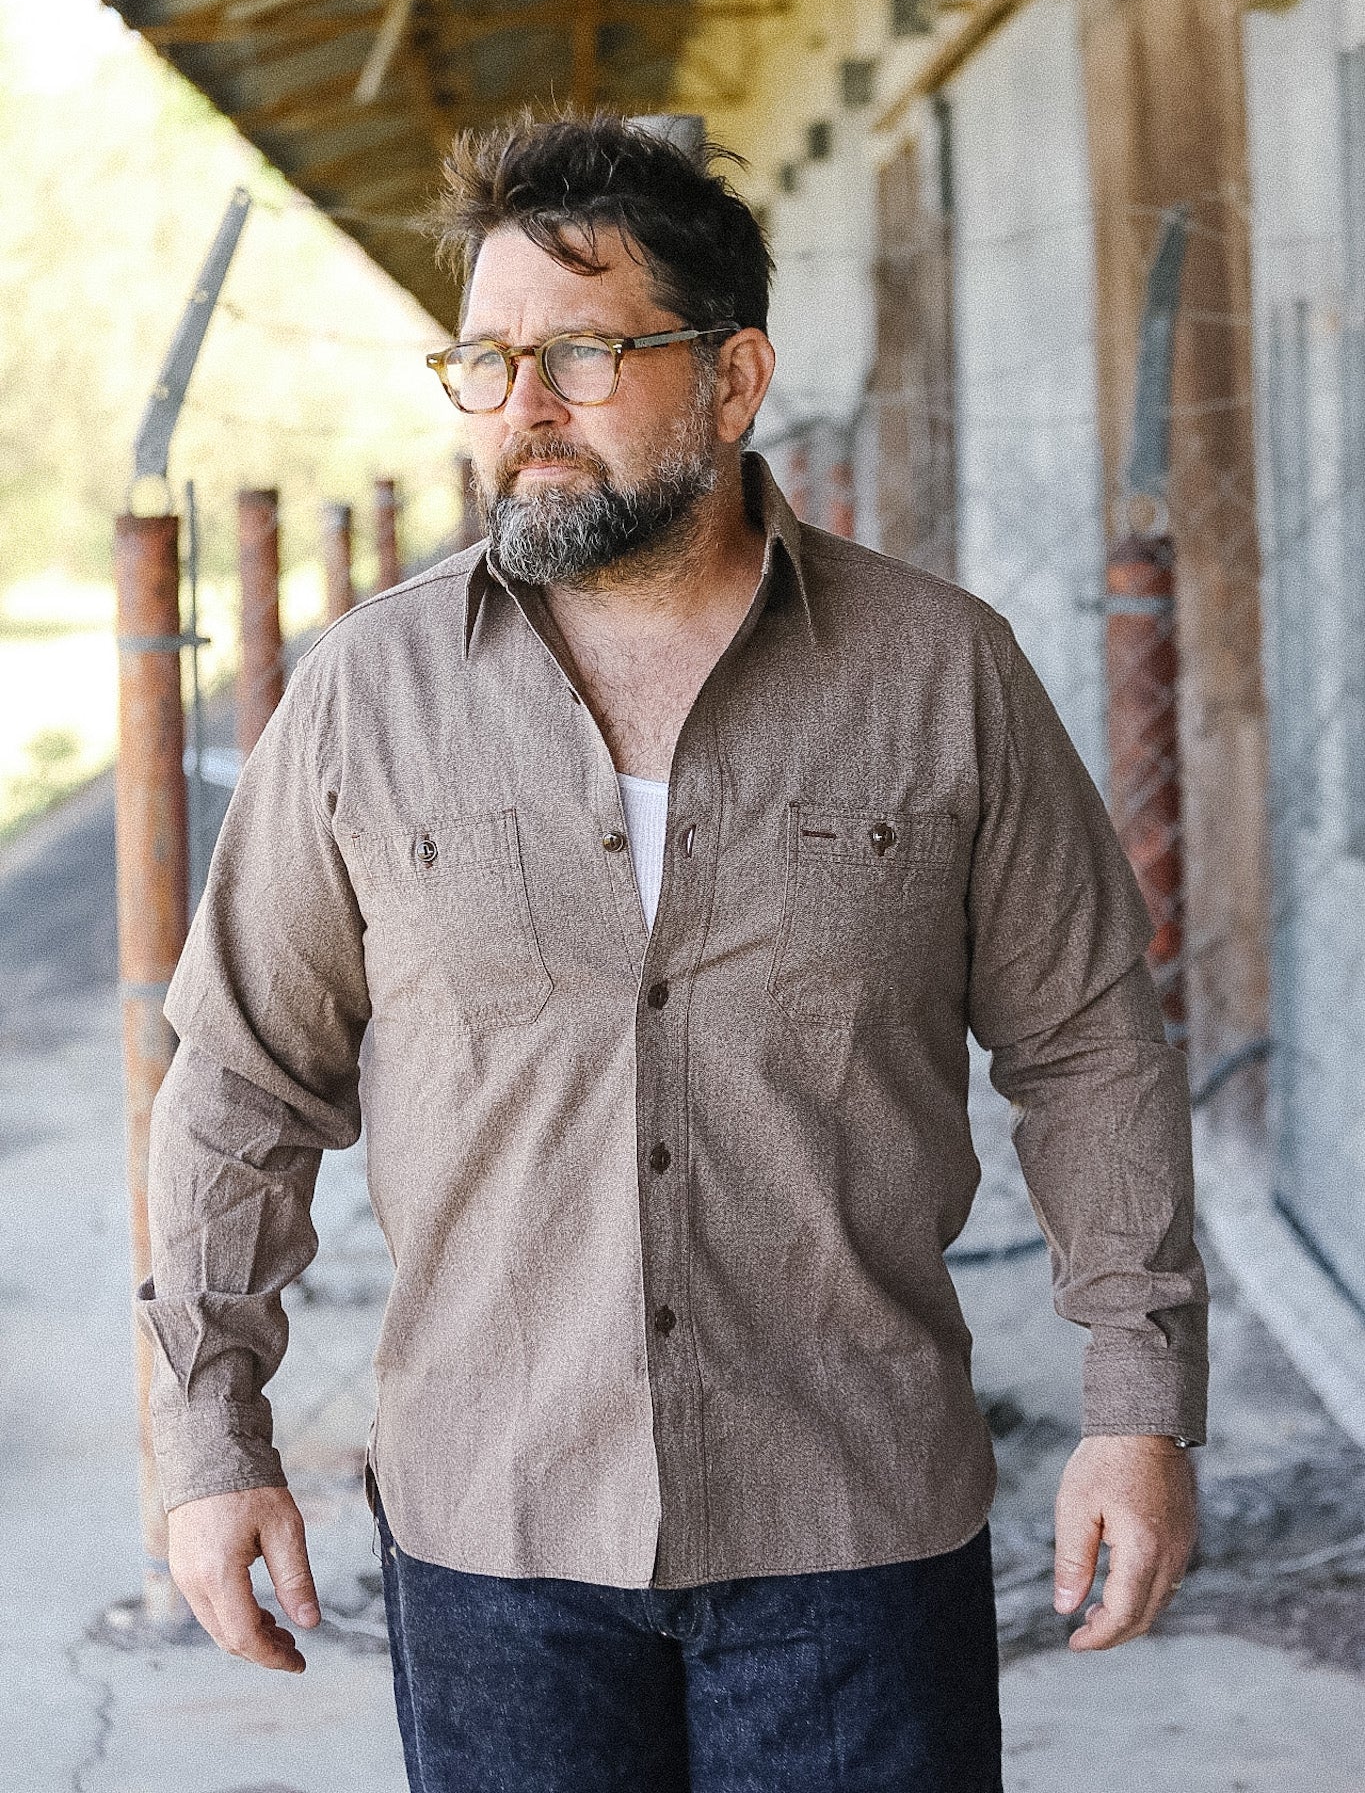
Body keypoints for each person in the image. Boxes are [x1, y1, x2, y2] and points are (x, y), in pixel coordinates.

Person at [142, 112, 1204, 1792]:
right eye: (484, 362)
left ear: (731, 376)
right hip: (493, 1540)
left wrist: (1135, 1410)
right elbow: (242, 1088)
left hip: (852, 1521)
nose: (523, 412)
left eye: (578, 351)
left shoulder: (942, 674)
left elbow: (1087, 1049)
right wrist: (210, 1443)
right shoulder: (363, 699)